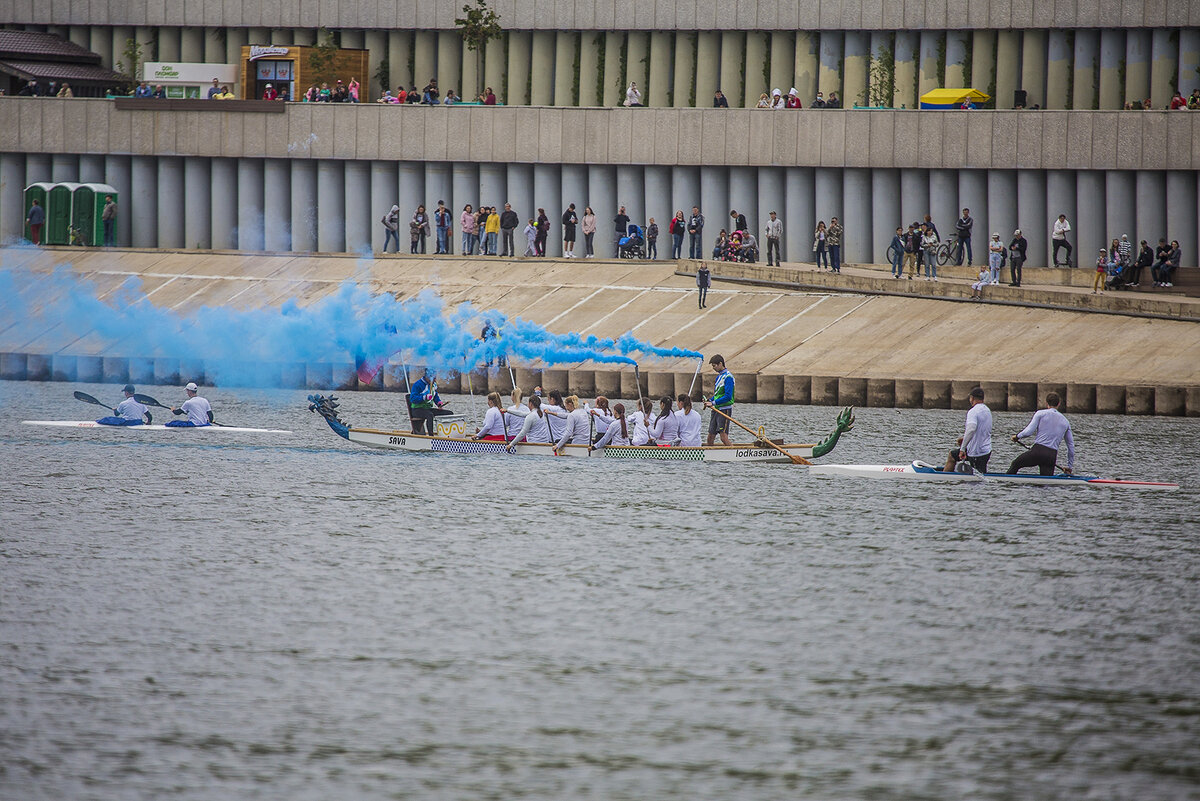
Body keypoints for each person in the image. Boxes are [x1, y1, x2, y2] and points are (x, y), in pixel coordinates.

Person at [1007, 393, 1075, 476]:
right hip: (1051, 456)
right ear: (1059, 404)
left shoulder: (1040, 414)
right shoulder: (1066, 421)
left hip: (1038, 451)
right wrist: (1069, 466)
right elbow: (1071, 446)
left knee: (1015, 464)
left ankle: (1005, 483)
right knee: (1045, 483)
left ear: (1046, 403)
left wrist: (1017, 436)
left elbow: (1028, 432)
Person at [943, 386, 992, 472]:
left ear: (972, 398)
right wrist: (965, 439)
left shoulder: (973, 411)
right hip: (986, 450)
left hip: (976, 452)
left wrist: (962, 449)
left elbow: (971, 429)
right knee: (952, 455)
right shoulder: (987, 410)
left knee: (979, 479)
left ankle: (944, 478)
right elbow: (981, 431)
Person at [409, 368, 450, 435]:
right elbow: (413, 398)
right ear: (428, 377)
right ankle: (431, 436)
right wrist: (424, 397)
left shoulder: (433, 385)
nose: (435, 380)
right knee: (429, 415)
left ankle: (446, 434)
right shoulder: (418, 384)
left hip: (428, 409)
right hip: (417, 409)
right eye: (433, 378)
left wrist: (439, 403)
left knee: (449, 413)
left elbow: (435, 396)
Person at [704, 355, 734, 446]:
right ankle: (709, 458)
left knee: (723, 437)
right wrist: (709, 400)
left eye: (714, 366)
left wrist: (713, 403)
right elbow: (717, 395)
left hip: (724, 410)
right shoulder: (719, 377)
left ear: (720, 364)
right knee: (710, 437)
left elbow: (728, 396)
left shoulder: (728, 377)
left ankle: (733, 454)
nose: (713, 368)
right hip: (716, 409)